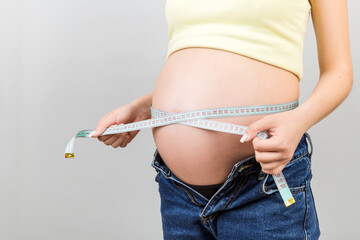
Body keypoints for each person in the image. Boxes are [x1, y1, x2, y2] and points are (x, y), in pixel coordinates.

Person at [90, 0, 353, 239]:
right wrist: (142, 108)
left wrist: (299, 120)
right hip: (177, 193)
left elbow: (339, 72)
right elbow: (198, 56)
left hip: (261, 187)